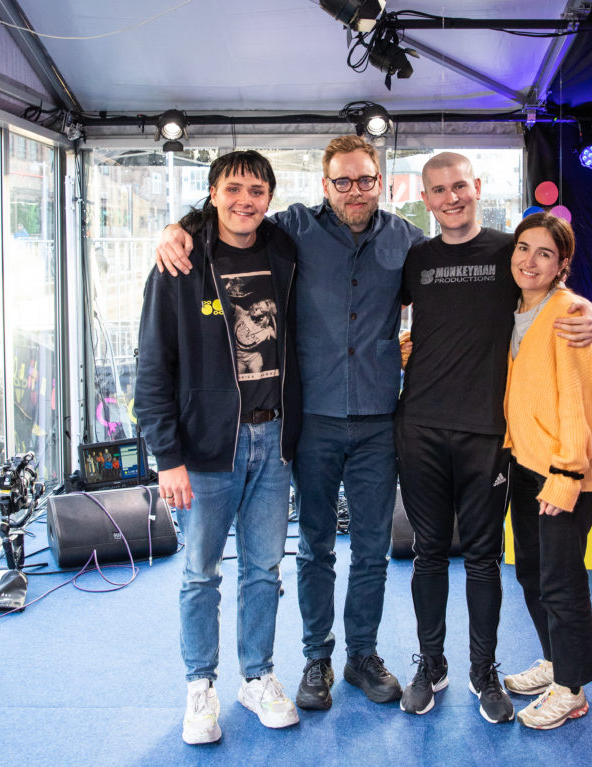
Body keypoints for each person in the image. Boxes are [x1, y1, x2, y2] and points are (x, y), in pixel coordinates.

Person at [155, 135, 424, 711]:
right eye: (342, 181)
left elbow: (455, 278)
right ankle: (315, 658)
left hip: (378, 419)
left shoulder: (407, 239)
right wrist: (175, 227)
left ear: (381, 181)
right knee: (314, 548)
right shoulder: (293, 229)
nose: (355, 190)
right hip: (311, 422)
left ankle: (362, 655)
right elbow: (229, 217)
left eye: (365, 179)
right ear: (323, 185)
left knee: (373, 549)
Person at [395, 153, 592, 724]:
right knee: (428, 554)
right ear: (426, 197)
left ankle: (482, 670)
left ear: (477, 187)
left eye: (459, 185)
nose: (450, 197)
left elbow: (554, 294)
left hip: (488, 435)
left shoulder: (506, 253)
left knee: (485, 558)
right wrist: (402, 350)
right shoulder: (414, 258)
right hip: (419, 427)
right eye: (437, 190)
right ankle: (431, 663)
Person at [136, 150, 302, 745]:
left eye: (257, 190)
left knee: (264, 568)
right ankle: (199, 687)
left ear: (269, 198)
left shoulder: (283, 250)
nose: (245, 200)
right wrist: (167, 457)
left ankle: (255, 677)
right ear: (212, 193)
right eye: (233, 188)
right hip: (207, 448)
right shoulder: (178, 263)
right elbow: (152, 366)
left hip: (273, 438)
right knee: (200, 574)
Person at [502, 212, 592, 729]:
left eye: (544, 253)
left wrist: (567, 476)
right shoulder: (516, 308)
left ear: (562, 264)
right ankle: (554, 661)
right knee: (531, 574)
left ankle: (572, 689)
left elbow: (585, 401)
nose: (530, 260)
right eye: (524, 248)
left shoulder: (569, 314)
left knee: (562, 583)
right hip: (524, 466)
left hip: (560, 476)